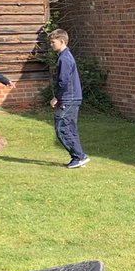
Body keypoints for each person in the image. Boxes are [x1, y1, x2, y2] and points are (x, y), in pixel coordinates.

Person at [49, 29, 88, 168]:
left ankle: (79, 156)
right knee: (70, 129)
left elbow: (63, 81)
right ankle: (78, 157)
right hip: (72, 98)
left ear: (62, 41)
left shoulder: (64, 58)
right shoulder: (65, 56)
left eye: (53, 42)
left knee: (61, 127)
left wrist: (56, 98)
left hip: (68, 99)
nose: (51, 45)